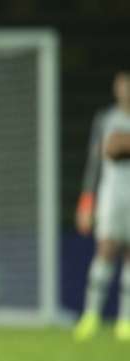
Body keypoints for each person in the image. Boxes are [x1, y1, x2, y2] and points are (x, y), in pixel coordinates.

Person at [73, 71, 130, 342]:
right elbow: (96, 162)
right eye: (123, 85)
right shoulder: (106, 119)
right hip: (112, 195)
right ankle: (91, 315)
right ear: (116, 88)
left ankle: (125, 322)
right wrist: (87, 202)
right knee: (106, 250)